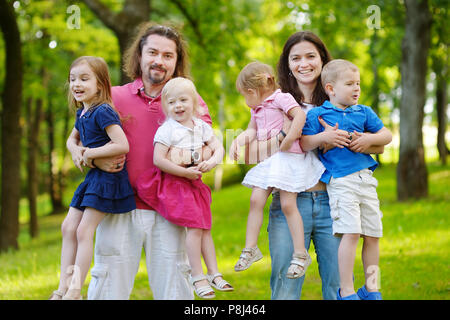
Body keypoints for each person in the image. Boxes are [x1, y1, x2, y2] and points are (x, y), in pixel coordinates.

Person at [69, 24, 214, 300]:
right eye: (153, 52)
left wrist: (189, 159)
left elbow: (207, 146)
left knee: (176, 288)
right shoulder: (112, 96)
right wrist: (92, 161)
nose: (159, 60)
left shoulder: (188, 100)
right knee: (108, 285)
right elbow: (78, 139)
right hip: (118, 204)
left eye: (168, 55)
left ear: (176, 62)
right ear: (140, 55)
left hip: (171, 207)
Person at [245, 31, 385, 300]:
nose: (303, 63)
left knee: (337, 286)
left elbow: (377, 145)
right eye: (295, 58)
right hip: (289, 205)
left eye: (311, 56)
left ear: (322, 60)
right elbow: (252, 154)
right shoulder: (276, 103)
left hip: (332, 200)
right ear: (287, 64)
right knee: (285, 287)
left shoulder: (339, 101)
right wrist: (289, 134)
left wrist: (355, 139)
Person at [301, 59, 392, 300]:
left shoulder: (364, 111)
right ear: (330, 88)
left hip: (367, 181)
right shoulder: (319, 114)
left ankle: (372, 288)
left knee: (373, 236)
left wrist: (369, 141)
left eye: (358, 84)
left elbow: (387, 135)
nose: (356, 89)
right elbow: (303, 143)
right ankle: (347, 291)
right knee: (351, 233)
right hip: (341, 182)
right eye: (350, 84)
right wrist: (324, 136)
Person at [135, 77, 233, 299]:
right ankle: (197, 277)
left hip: (194, 183)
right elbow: (159, 160)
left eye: (183, 100)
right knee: (196, 228)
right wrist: (184, 172)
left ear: (194, 102)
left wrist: (211, 162)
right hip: (176, 184)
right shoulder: (167, 130)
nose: (177, 106)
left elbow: (218, 148)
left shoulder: (201, 126)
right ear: (165, 106)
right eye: (171, 102)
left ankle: (214, 273)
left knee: (205, 227)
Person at [49, 56, 136, 300]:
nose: (76, 84)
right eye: (73, 79)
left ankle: (75, 289)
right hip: (93, 178)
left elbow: (122, 144)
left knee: (83, 231)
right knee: (68, 227)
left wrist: (88, 154)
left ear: (100, 84)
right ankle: (62, 286)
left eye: (84, 79)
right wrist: (75, 150)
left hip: (108, 180)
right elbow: (71, 139)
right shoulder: (83, 112)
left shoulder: (103, 111)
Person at [230, 62, 325, 279]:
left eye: (245, 96)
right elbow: (251, 131)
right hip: (271, 161)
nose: (246, 102)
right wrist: (237, 141)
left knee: (287, 204)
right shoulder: (257, 109)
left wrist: (290, 136)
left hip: (289, 159)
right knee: (255, 200)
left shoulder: (281, 97)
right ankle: (251, 248)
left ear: (253, 91)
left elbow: (299, 116)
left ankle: (300, 253)